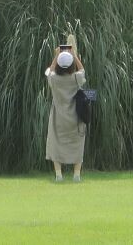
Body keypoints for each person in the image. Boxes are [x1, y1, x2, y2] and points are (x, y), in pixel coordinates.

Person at [45, 44, 87, 182]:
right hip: (75, 117)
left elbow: (50, 72)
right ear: (71, 65)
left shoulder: (54, 80)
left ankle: (58, 175)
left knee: (55, 143)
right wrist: (74, 55)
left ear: (58, 64)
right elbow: (82, 70)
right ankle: (76, 175)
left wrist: (56, 55)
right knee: (78, 142)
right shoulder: (76, 78)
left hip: (58, 117)